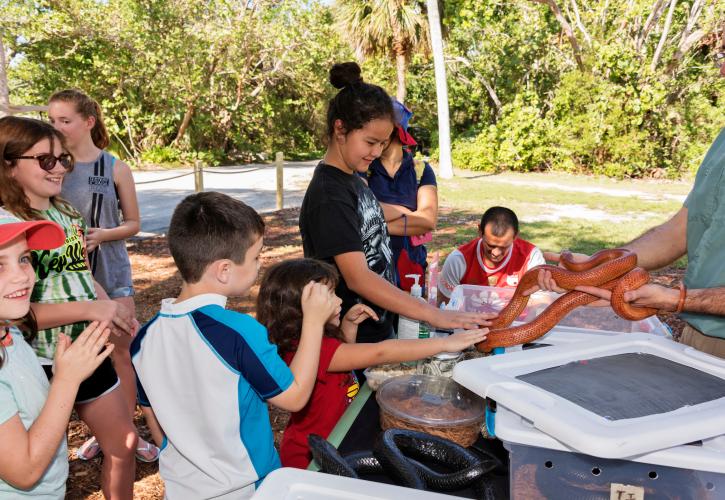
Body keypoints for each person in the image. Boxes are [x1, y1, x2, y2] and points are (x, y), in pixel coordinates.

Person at [130, 192, 337, 499]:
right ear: (224, 269)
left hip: (182, 490)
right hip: (246, 488)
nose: (259, 266)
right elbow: (295, 398)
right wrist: (314, 323)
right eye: (256, 257)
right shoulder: (238, 332)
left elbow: (156, 424)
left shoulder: (143, 339)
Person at [535, 44, 725, 359]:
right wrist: (602, 266)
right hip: (698, 335)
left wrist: (676, 299)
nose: (720, 71)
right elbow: (680, 230)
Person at [299, 61, 493, 344]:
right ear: (339, 129)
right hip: (349, 337)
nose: (377, 152)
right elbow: (358, 278)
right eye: (370, 142)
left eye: (383, 143)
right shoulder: (329, 195)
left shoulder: (354, 180)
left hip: (378, 328)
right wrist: (433, 314)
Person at [0, 116, 138, 499]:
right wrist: (90, 310)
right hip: (37, 360)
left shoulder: (67, 213)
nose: (59, 167)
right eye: (46, 160)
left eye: (64, 159)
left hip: (87, 351)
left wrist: (108, 304)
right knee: (42, 460)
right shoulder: (8, 228)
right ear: (9, 163)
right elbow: (20, 316)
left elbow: (79, 272)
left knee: (125, 443)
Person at [257, 258, 488, 468]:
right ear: (303, 309)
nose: (339, 300)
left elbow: (340, 363)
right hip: (310, 456)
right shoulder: (313, 346)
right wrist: (445, 345)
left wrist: (348, 325)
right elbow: (380, 352)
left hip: (338, 433)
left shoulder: (310, 341)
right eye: (329, 296)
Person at [47, 89, 156, 462]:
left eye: (65, 120)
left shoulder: (113, 167)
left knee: (119, 353)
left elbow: (134, 223)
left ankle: (128, 432)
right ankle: (102, 433)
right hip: (66, 282)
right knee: (74, 357)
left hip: (110, 273)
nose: (57, 127)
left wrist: (102, 235)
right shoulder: (52, 167)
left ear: (88, 122)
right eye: (52, 120)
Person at [0, 207, 114, 498]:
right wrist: (66, 380)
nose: (21, 276)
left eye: (24, 259)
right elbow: (24, 472)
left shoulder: (9, 331)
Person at [366, 99, 437, 293]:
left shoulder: (421, 170)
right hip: (371, 271)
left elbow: (428, 221)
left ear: (396, 131)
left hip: (411, 269)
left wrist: (373, 225)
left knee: (410, 323)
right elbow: (358, 214)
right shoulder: (364, 169)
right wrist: (407, 213)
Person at [438, 206, 545, 304]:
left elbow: (540, 303)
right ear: (480, 231)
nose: (496, 253)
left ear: (515, 236)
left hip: (517, 323)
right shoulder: (459, 260)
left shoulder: (530, 257)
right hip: (468, 323)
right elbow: (444, 307)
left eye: (504, 247)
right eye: (490, 245)